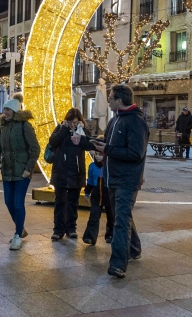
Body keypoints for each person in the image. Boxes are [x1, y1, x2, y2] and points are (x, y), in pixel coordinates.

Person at [92, 84, 148, 279]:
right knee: (121, 217)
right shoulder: (115, 120)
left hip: (127, 180)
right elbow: (111, 146)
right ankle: (134, 249)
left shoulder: (135, 122)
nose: (108, 100)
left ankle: (118, 264)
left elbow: (135, 153)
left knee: (120, 222)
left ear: (120, 101)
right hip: (112, 177)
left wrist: (107, 150)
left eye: (111, 97)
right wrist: (101, 148)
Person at [0, 93, 40, 251]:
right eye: (4, 109)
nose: (4, 112)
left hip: (21, 171)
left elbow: (35, 149)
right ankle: (21, 229)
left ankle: (18, 235)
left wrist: (28, 169)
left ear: (14, 110)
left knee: (18, 203)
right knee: (8, 202)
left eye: (7, 109)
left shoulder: (24, 125)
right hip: (7, 170)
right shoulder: (3, 127)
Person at [47, 108, 92, 241]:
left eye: (76, 122)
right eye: (71, 121)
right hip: (60, 171)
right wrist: (64, 129)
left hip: (76, 172)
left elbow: (89, 144)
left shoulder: (81, 131)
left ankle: (71, 228)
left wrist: (82, 131)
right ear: (67, 120)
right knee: (60, 201)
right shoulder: (61, 128)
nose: (73, 124)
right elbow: (53, 141)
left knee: (73, 202)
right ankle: (58, 230)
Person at [82, 156, 113, 245]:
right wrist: (87, 193)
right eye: (96, 154)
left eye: (101, 154)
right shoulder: (92, 166)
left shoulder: (109, 165)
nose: (98, 157)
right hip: (96, 194)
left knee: (111, 216)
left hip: (108, 193)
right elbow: (90, 181)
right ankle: (90, 237)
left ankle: (110, 235)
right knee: (94, 216)